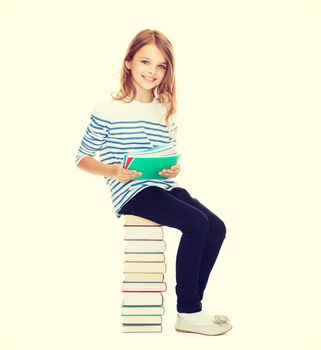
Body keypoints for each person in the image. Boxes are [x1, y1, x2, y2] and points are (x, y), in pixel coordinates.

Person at [75, 29, 232, 336]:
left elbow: (165, 154)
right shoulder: (107, 110)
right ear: (129, 62)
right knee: (196, 223)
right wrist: (112, 171)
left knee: (217, 226)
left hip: (162, 186)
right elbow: (82, 158)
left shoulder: (164, 109)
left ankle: (192, 308)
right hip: (132, 191)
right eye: (146, 61)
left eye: (161, 66)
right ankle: (189, 311)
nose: (153, 71)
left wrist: (172, 169)